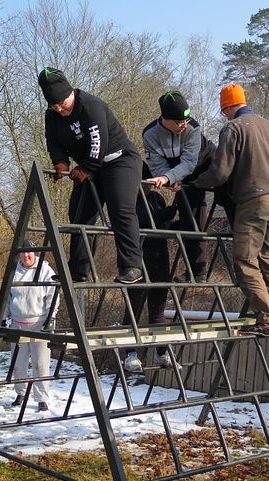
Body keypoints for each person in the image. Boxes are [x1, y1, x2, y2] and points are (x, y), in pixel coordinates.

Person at [190, 84, 269, 339]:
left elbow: (220, 172)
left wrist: (195, 183)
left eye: (223, 110)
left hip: (252, 204)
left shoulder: (233, 128)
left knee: (245, 262)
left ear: (228, 106)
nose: (224, 115)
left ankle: (267, 321)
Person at [38, 66, 143, 285]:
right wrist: (61, 162)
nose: (59, 110)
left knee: (120, 209)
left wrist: (85, 169)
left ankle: (131, 266)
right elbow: (53, 141)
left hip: (118, 161)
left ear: (71, 94)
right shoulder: (52, 116)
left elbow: (98, 143)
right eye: (53, 106)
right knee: (79, 213)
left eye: (62, 104)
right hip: (89, 167)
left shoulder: (90, 106)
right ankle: (77, 269)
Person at [142, 90, 216, 283]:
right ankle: (195, 271)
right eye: (178, 122)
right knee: (187, 217)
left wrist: (169, 177)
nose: (184, 125)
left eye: (186, 120)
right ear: (165, 119)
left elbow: (190, 163)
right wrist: (169, 178)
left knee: (196, 215)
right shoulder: (150, 135)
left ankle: (200, 270)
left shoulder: (193, 128)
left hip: (203, 165)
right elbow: (157, 164)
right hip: (177, 171)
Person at [122, 186, 176, 372]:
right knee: (134, 306)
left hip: (160, 255)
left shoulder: (157, 197)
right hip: (137, 256)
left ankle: (161, 352)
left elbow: (163, 227)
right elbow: (139, 222)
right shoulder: (128, 197)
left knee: (158, 307)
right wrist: (166, 214)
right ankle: (130, 354)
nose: (151, 184)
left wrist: (173, 218)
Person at [7, 240, 59, 411]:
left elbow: (53, 296)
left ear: (35, 253)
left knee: (40, 363)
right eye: (22, 252)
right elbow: (7, 297)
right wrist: (4, 317)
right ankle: (20, 392)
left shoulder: (45, 270)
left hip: (39, 324)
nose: (26, 255)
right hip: (17, 323)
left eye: (29, 252)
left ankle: (42, 398)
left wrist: (50, 319)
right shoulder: (13, 271)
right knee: (18, 363)